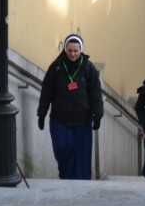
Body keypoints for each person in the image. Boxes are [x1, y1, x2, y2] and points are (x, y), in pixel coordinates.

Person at [37, 34, 103, 180]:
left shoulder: (88, 68)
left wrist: (97, 115)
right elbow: (47, 92)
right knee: (62, 151)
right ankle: (66, 180)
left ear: (81, 50)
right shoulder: (56, 67)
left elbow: (95, 93)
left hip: (82, 122)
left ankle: (82, 185)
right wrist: (41, 114)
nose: (73, 54)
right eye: (70, 50)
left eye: (76, 51)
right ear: (65, 49)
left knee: (82, 156)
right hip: (60, 120)